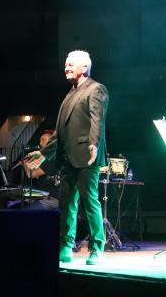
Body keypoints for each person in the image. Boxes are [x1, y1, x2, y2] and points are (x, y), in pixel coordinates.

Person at [27, 50, 108, 265]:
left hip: (86, 156)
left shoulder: (95, 89)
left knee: (90, 202)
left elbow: (97, 120)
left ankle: (97, 247)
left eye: (71, 64)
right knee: (67, 205)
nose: (66, 67)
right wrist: (43, 153)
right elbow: (59, 133)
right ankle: (65, 245)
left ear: (84, 68)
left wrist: (94, 144)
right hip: (66, 158)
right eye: (65, 64)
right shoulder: (69, 95)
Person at [23, 130, 59, 210]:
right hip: (48, 194)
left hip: (56, 198)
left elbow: (31, 174)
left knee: (28, 211)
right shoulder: (47, 157)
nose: (40, 143)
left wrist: (25, 163)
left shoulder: (52, 158)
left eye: (43, 140)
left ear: (51, 143)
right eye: (40, 140)